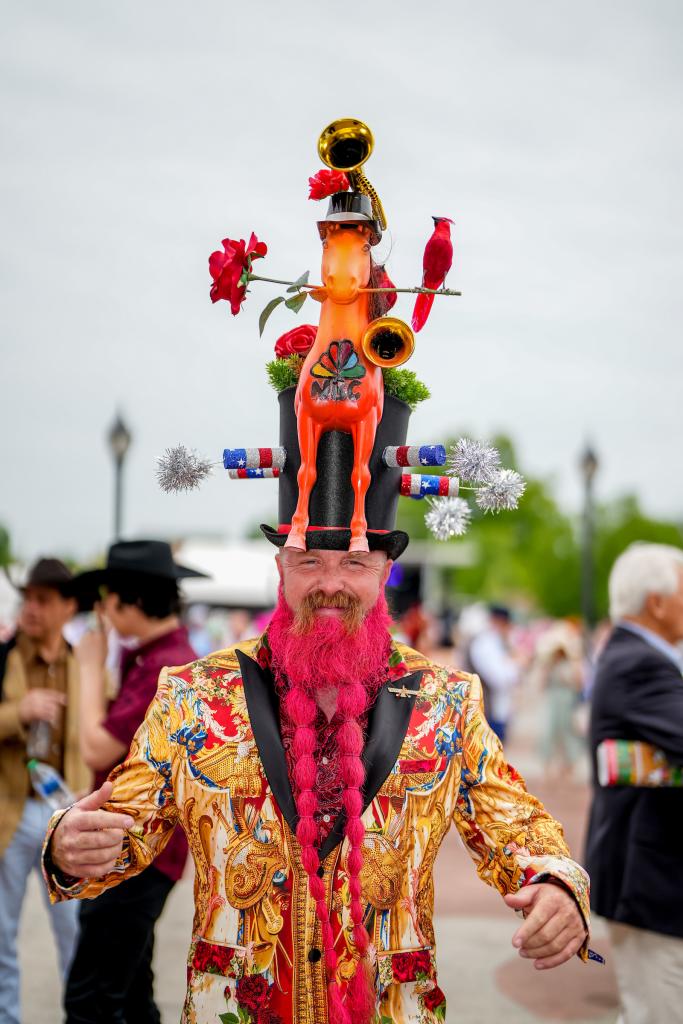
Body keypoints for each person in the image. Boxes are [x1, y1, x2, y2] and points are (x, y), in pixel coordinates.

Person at [43, 172, 595, 1024]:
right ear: (280, 567)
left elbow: (518, 832)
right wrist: (70, 846)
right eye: (309, 560)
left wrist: (558, 886)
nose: (331, 582)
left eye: (354, 563)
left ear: (385, 575)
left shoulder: (445, 704)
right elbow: (122, 837)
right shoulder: (194, 700)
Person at [62, 540, 205, 1024]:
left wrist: (85, 666)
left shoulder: (166, 667)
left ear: (133, 603)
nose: (101, 609)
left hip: (137, 852)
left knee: (93, 1000)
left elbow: (95, 748)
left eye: (107, 598)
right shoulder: (152, 656)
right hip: (133, 847)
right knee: (130, 993)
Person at [585, 543, 683, 1024]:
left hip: (651, 874)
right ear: (657, 602)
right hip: (651, 877)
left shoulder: (634, 656)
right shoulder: (639, 662)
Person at [0, 558, 90, 1024]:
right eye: (27, 598)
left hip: (68, 813)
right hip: (10, 815)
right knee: (1, 938)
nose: (31, 609)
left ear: (68, 607)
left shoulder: (85, 664)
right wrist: (20, 712)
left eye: (43, 600)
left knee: (76, 935)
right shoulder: (5, 657)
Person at [468, 604, 521, 742]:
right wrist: (516, 665)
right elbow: (500, 678)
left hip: (497, 711)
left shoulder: (495, 642)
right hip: (487, 713)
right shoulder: (485, 644)